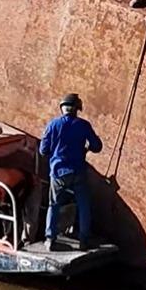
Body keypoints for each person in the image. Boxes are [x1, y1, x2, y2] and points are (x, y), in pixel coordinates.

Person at [38, 93, 103, 250]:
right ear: (76, 109)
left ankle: (50, 239)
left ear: (62, 108)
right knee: (83, 204)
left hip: (58, 172)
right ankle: (83, 240)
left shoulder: (53, 125)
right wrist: (85, 147)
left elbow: (43, 150)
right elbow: (97, 146)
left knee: (54, 204)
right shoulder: (83, 125)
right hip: (78, 172)